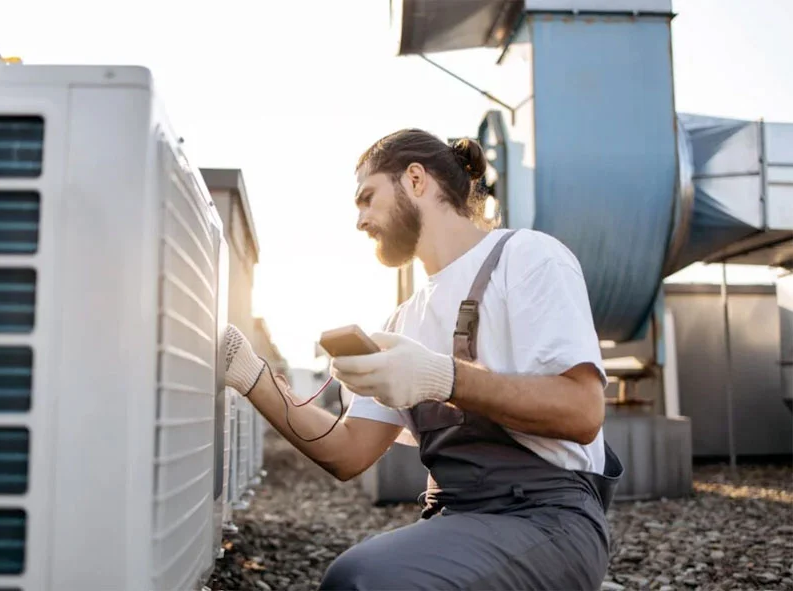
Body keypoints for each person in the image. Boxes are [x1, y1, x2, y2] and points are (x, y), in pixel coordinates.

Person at [222, 128, 623, 590]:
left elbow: (582, 412)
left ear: (416, 180)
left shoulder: (528, 258)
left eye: (367, 198)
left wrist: (441, 376)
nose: (359, 220)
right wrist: (253, 377)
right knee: (352, 575)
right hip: (459, 519)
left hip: (551, 519)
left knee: (365, 581)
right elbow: (346, 451)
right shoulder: (403, 321)